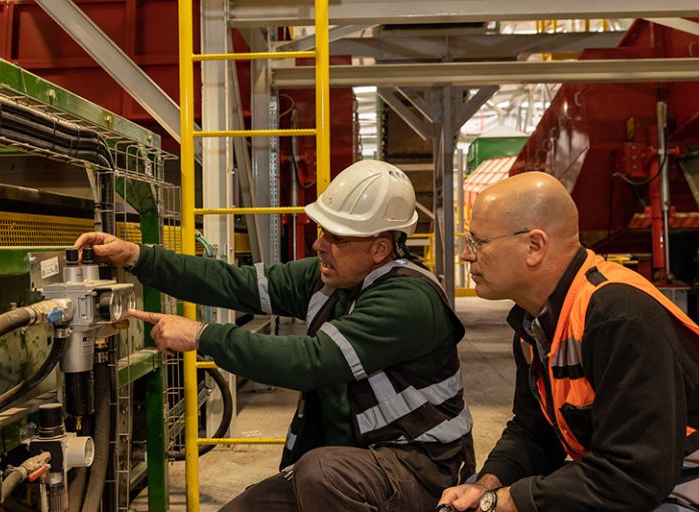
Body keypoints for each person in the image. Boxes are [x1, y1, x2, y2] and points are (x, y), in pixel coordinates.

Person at [75, 159, 475, 511]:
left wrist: (203, 335)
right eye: (322, 231)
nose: (320, 244)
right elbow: (236, 283)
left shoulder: (408, 300)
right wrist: (138, 257)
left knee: (320, 473)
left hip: (422, 469)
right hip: (356, 460)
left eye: (336, 237)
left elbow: (311, 362)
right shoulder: (332, 278)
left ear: (380, 248)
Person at [438, 171, 699, 512]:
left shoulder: (617, 315)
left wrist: (503, 501)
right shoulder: (537, 326)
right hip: (649, 475)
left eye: (478, 242)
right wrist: (486, 485)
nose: (466, 256)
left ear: (535, 246)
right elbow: (534, 433)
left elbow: (633, 476)